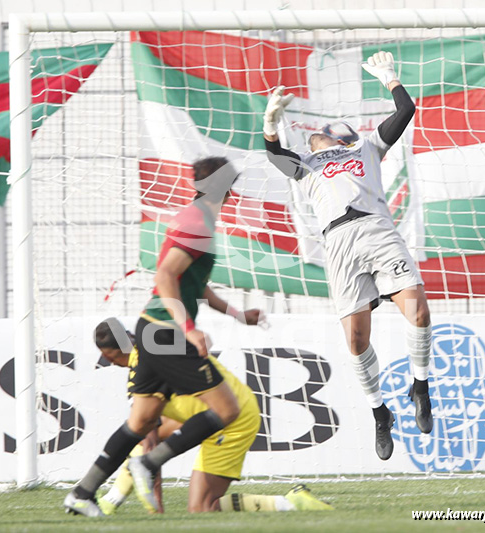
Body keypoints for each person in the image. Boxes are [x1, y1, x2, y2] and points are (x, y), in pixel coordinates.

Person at [65, 156, 264, 517]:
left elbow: (194, 285)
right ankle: (148, 463)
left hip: (151, 329)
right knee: (227, 408)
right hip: (166, 333)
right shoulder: (198, 223)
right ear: (227, 189)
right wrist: (189, 330)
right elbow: (166, 277)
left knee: (140, 421)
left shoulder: (197, 219)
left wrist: (236, 314)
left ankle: (83, 491)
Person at [263, 52, 433, 461]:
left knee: (420, 313)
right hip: (338, 245)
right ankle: (380, 412)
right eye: (312, 136)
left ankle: (421, 385)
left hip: (377, 230)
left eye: (322, 133)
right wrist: (270, 124)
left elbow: (406, 109)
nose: (314, 137)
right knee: (356, 341)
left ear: (341, 138)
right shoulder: (305, 166)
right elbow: (273, 155)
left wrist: (390, 77)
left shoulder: (367, 148)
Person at [95, 319, 333, 514]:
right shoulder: (155, 341)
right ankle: (111, 498)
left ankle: (290, 503)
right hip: (220, 410)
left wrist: (155, 511)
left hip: (231, 421)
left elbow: (150, 449)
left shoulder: (141, 373)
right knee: (145, 435)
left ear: (108, 356)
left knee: (202, 508)